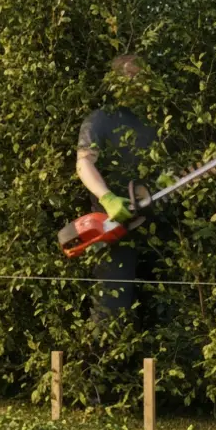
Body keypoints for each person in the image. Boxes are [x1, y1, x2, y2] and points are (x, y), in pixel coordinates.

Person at [75, 54, 159, 329]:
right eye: (130, 78)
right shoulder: (100, 120)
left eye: (141, 78)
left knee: (163, 308)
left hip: (158, 225)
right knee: (111, 311)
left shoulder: (157, 121)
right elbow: (84, 164)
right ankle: (102, 352)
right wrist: (107, 198)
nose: (137, 84)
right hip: (114, 227)